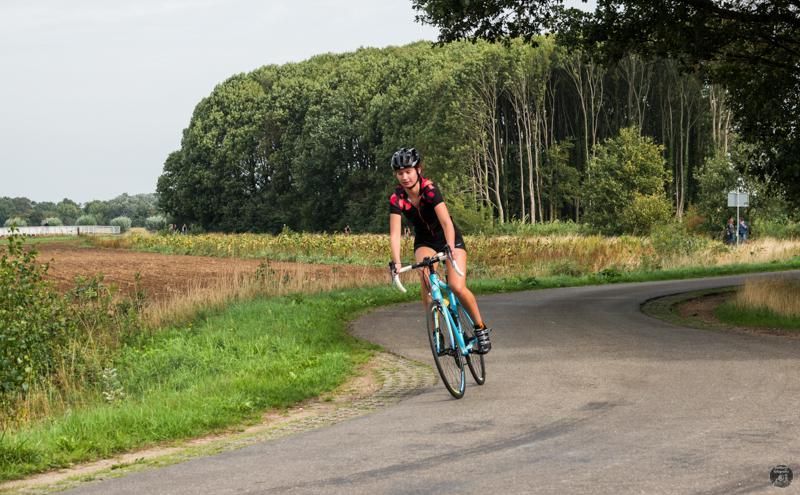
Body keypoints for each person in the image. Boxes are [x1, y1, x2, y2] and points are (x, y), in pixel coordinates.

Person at [387, 147, 491, 354]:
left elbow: (446, 222)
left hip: (449, 238)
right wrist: (396, 263)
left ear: (418, 170)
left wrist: (450, 248)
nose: (405, 177)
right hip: (425, 242)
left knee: (456, 286)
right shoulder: (396, 198)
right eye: (400, 173)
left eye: (408, 171)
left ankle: (480, 329)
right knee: (426, 279)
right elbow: (395, 234)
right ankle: (436, 330)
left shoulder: (430, 190)